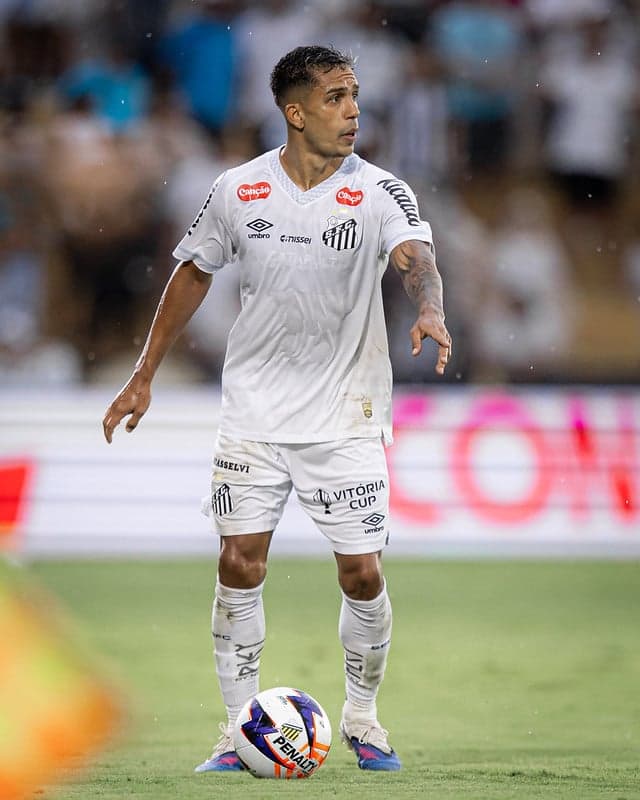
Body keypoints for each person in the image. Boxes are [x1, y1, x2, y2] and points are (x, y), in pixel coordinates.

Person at [102, 45, 452, 773]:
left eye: (355, 94)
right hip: (254, 417)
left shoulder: (385, 191)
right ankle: (237, 731)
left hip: (346, 417)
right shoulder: (238, 190)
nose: (354, 109)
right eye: (335, 97)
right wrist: (144, 374)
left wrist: (432, 311)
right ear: (295, 113)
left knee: (361, 573)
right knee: (238, 564)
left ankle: (364, 718)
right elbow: (193, 272)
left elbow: (418, 259)